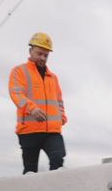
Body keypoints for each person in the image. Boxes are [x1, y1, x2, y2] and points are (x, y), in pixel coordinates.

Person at [8, 32, 67, 174]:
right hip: (29, 131)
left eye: (46, 55)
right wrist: (32, 109)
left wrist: (62, 117)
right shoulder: (19, 71)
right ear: (30, 51)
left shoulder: (53, 77)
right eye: (39, 53)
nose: (42, 58)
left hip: (52, 131)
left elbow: (59, 101)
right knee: (30, 171)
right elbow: (16, 93)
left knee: (58, 161)